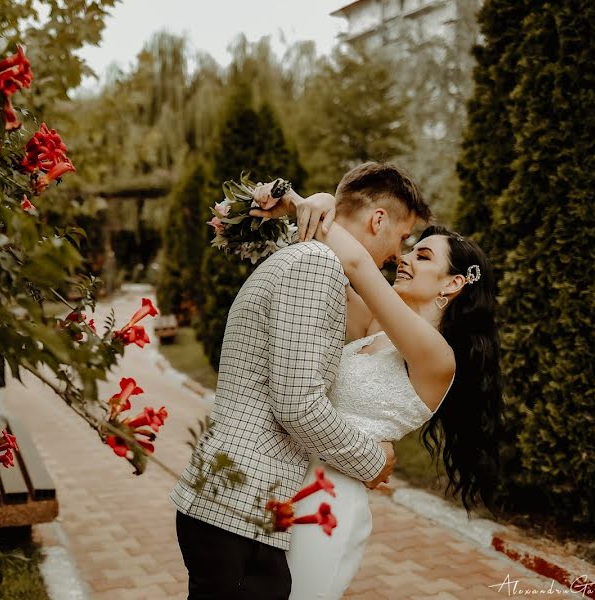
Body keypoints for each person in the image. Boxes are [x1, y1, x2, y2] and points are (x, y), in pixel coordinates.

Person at [169, 162, 433, 600]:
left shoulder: (302, 256)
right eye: (403, 237)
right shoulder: (315, 265)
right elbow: (298, 405)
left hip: (235, 503)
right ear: (378, 219)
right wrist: (373, 461)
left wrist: (311, 202)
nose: (398, 252)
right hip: (239, 505)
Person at [251, 186, 504, 600]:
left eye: (422, 257)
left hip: (330, 499)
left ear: (454, 283)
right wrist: (323, 202)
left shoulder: (436, 358)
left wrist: (300, 203)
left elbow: (354, 263)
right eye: (411, 250)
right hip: (287, 476)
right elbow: (324, 260)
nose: (403, 258)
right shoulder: (375, 327)